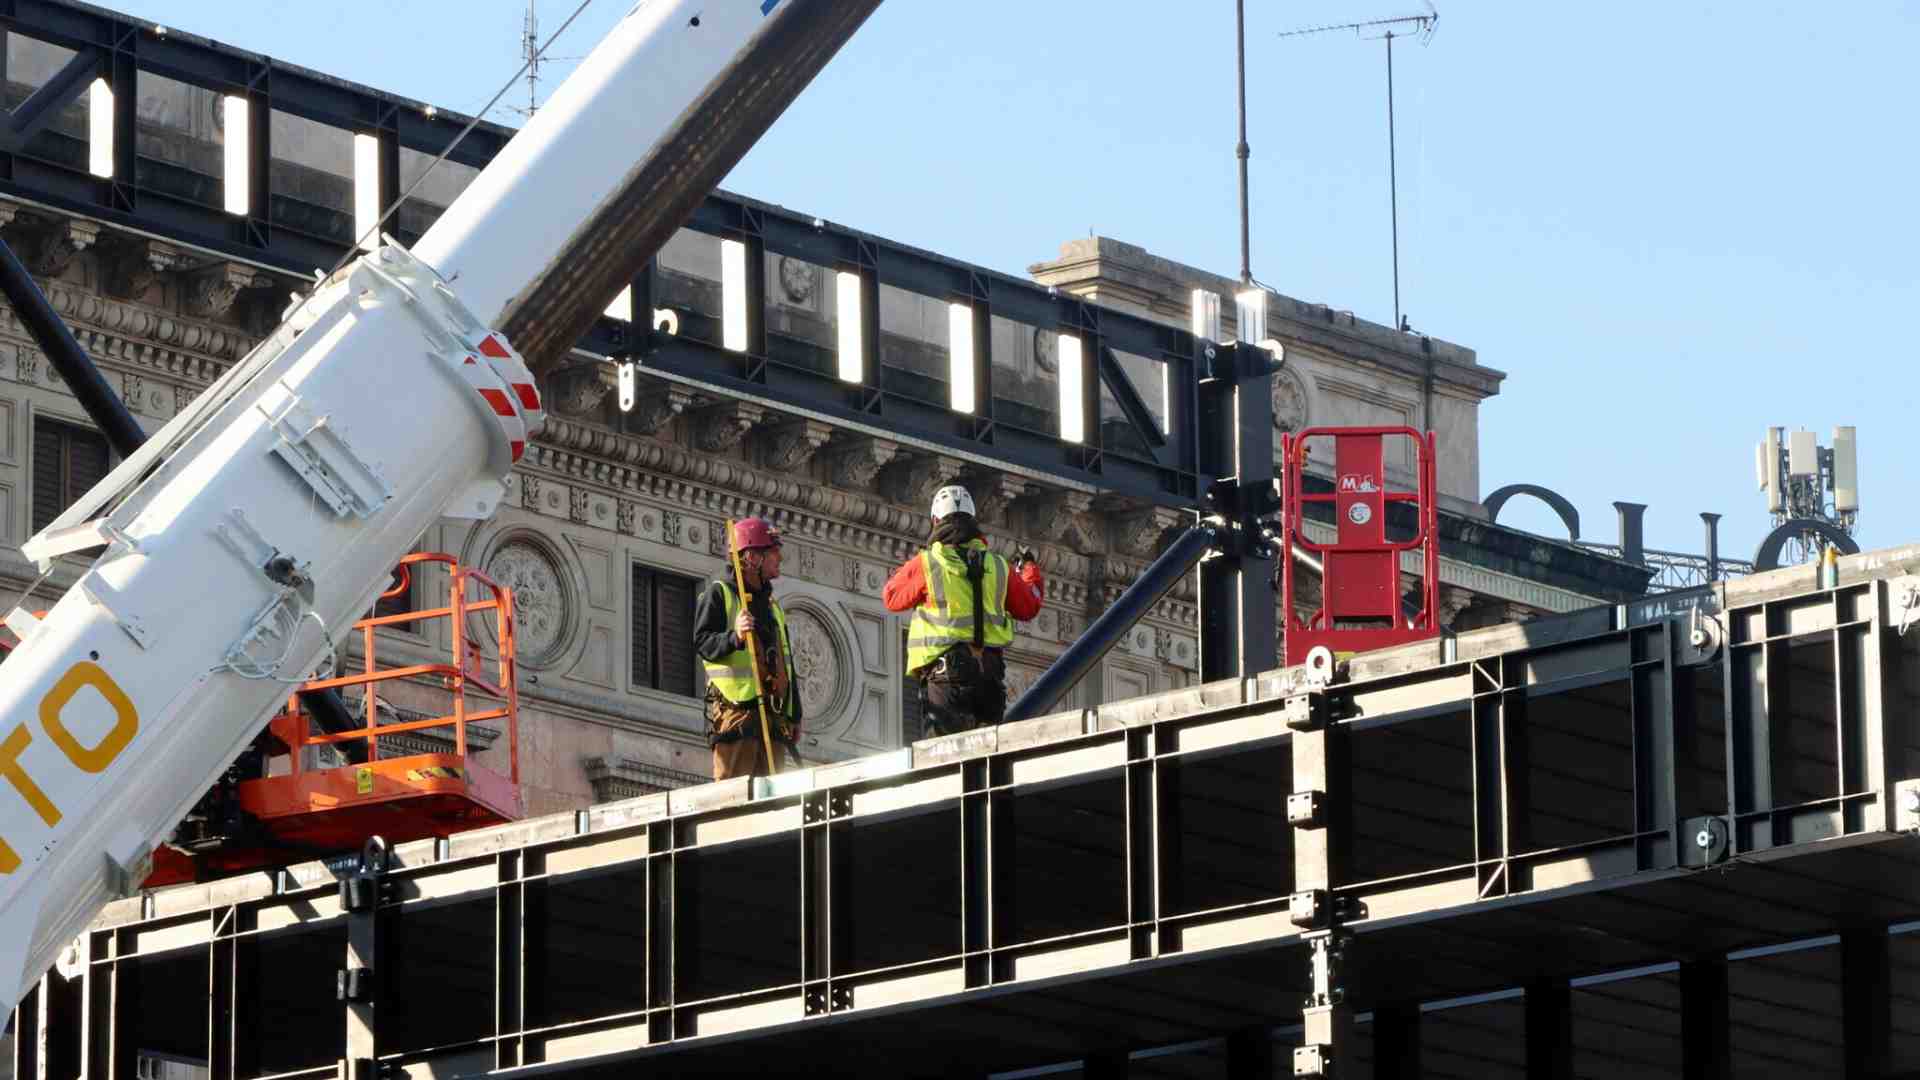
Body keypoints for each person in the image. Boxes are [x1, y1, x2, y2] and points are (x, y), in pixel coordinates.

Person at [883, 485, 1045, 737]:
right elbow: (1030, 604)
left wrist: (910, 567)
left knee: (942, 761)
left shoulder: (928, 563)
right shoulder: (999, 567)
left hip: (947, 681)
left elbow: (891, 596)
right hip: (989, 678)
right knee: (990, 760)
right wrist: (1029, 569)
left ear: (935, 521)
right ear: (973, 522)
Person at [692, 516, 801, 779]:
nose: (779, 558)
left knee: (774, 801)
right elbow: (703, 642)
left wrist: (794, 714)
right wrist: (735, 636)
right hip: (737, 714)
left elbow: (787, 665)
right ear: (752, 557)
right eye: (772, 551)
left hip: (774, 718)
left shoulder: (773, 608)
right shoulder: (720, 595)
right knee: (733, 794)